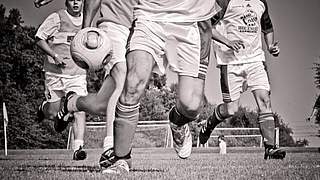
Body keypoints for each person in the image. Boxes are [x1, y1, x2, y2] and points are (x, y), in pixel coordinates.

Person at [85, 0, 220, 174]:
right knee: (132, 84)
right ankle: (121, 159)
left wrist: (208, 14)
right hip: (148, 16)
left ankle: (177, 121)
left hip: (190, 23)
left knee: (191, 106)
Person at [199, 0, 286, 160]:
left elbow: (267, 26)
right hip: (230, 62)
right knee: (231, 109)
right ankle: (210, 122)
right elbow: (205, 25)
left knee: (264, 101)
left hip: (255, 60)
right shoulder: (224, 1)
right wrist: (228, 42)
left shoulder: (260, 2)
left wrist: (270, 46)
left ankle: (270, 148)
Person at [35, 0, 87, 160]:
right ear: (66, 2)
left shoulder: (87, 21)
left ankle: (78, 149)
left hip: (77, 75)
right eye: (72, 0)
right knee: (52, 113)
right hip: (54, 74)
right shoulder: (56, 18)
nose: (76, 2)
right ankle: (44, 108)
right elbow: (39, 38)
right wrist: (54, 55)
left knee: (80, 109)